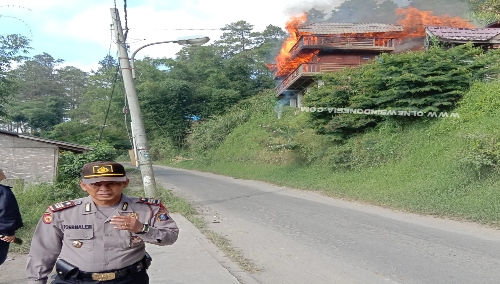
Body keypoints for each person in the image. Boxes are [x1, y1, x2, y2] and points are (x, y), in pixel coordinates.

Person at [26, 161, 179, 284]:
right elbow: (42, 252)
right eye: (96, 184)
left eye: (112, 183)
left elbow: (170, 236)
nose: (104, 189)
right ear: (83, 185)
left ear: (125, 183)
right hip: (74, 280)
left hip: (129, 279)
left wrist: (142, 229)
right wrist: (36, 280)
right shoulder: (62, 213)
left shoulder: (147, 209)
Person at [0, 168, 23, 265]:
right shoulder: (3, 191)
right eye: (1, 170)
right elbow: (6, 212)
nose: (3, 171)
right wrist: (8, 232)